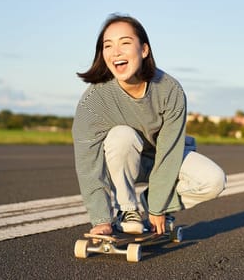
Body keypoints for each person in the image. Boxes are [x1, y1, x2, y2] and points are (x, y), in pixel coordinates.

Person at [73, 13, 227, 236]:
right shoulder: (94, 102)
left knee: (213, 180)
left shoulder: (169, 90)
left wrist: (157, 204)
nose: (115, 52)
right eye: (108, 46)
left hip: (164, 157)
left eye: (125, 43)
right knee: (121, 136)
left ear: (144, 50)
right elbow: (88, 165)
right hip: (121, 163)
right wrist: (101, 219)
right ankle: (128, 211)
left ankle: (147, 200)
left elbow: (169, 152)